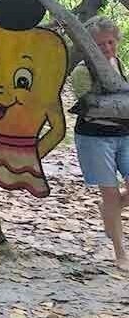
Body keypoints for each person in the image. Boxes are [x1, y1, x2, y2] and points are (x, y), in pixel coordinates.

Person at [70, 15, 129, 270]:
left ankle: (109, 210)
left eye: (110, 43)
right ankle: (120, 253)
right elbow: (91, 106)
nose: (107, 49)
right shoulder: (82, 72)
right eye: (100, 44)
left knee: (114, 199)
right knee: (110, 191)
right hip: (95, 137)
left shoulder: (120, 64)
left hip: (124, 135)